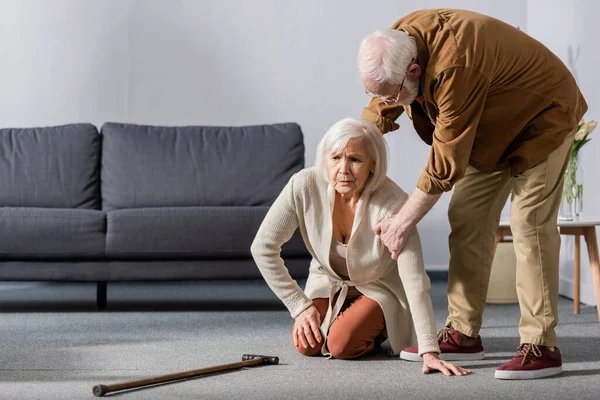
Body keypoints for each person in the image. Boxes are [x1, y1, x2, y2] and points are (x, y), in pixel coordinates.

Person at [356, 9, 587, 380]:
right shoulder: (398, 40)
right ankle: (462, 333)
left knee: (529, 224)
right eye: (373, 90)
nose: (387, 100)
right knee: (466, 216)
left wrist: (401, 222)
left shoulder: (455, 67)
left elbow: (444, 164)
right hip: (490, 126)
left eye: (391, 93)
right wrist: (348, 152)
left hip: (544, 117)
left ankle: (541, 345)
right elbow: (382, 103)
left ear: (414, 71)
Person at [251, 118, 470, 376]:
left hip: (378, 286)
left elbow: (414, 279)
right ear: (325, 159)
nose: (343, 169)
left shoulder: (394, 202)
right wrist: (298, 305)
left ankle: (381, 326)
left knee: (340, 345)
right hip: (328, 281)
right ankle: (345, 320)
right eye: (335, 158)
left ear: (373, 165)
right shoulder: (303, 185)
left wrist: (429, 350)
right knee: (307, 344)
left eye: (355, 160)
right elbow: (263, 247)